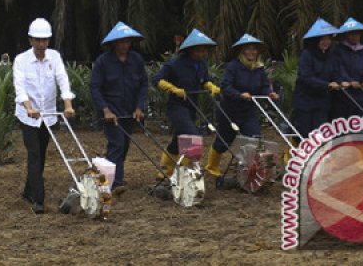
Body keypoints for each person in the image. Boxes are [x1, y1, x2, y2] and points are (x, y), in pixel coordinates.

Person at [13, 18, 75, 214]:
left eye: (45, 40)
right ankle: (38, 200)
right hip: (28, 116)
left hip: (48, 115)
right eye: (37, 40)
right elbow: (20, 87)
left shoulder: (54, 57)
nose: (41, 44)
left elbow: (62, 80)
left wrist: (68, 105)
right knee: (34, 155)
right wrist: (28, 107)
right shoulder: (21, 60)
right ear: (30, 40)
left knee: (41, 155)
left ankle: (27, 190)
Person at [205, 34, 279, 176]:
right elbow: (225, 87)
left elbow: (263, 86)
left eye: (254, 49)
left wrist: (270, 93)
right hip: (230, 111)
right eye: (248, 49)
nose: (252, 52)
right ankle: (211, 166)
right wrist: (239, 94)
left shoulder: (259, 68)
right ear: (242, 51)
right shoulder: (233, 67)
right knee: (224, 141)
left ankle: (248, 169)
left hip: (248, 111)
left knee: (254, 138)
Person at [152, 28, 220, 178]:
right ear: (189, 50)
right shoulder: (175, 63)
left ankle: (166, 169)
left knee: (178, 140)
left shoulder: (201, 64)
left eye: (203, 51)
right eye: (198, 51)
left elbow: (204, 80)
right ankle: (189, 168)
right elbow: (157, 79)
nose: (201, 54)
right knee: (192, 135)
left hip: (191, 107)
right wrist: (173, 88)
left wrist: (210, 86)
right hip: (176, 107)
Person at [89, 21, 148, 193]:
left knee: (124, 145)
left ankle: (102, 173)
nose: (124, 45)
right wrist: (105, 110)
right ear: (114, 43)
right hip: (111, 111)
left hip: (130, 111)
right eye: (121, 42)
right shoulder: (103, 62)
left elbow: (144, 84)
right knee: (117, 144)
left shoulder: (136, 60)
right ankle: (116, 183)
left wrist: (139, 107)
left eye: (127, 42)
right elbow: (95, 87)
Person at [291, 18, 340, 139]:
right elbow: (306, 78)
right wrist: (327, 85)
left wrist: (340, 82)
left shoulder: (331, 55)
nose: (326, 42)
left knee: (320, 134)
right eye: (322, 39)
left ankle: (318, 156)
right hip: (305, 101)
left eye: (328, 39)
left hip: (322, 102)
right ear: (315, 40)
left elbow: (335, 73)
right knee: (304, 134)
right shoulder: (306, 55)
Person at [330, 17, 363, 118]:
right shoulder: (338, 51)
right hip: (343, 91)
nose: (353, 36)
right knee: (342, 120)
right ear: (345, 35)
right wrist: (350, 81)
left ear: (360, 35)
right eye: (350, 34)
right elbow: (338, 69)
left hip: (361, 90)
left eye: (356, 34)